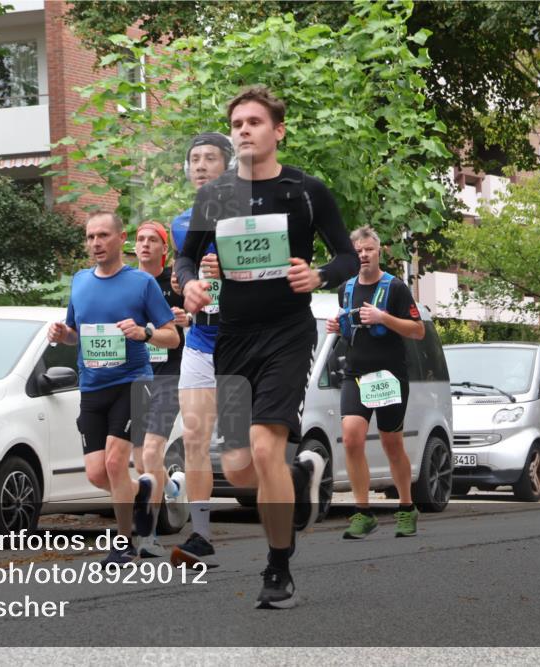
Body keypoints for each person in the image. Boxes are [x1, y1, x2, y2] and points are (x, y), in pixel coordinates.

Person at [175, 85, 358, 608]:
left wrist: (318, 274)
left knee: (263, 446)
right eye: (237, 125)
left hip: (286, 333)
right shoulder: (215, 196)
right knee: (236, 468)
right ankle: (298, 476)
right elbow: (185, 260)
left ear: (277, 131)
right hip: (232, 337)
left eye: (254, 122)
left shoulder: (305, 190)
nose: (244, 131)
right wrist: (187, 283)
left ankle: (277, 567)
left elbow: (347, 257)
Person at [48, 211, 179, 565]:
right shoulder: (79, 281)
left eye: (103, 235)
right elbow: (76, 331)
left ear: (122, 239)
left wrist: (144, 332)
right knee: (96, 473)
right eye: (90, 237)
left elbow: (172, 335)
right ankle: (143, 495)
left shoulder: (141, 283)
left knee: (115, 461)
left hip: (132, 384)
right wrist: (63, 335)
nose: (96, 243)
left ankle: (123, 543)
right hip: (92, 387)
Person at [324, 226, 425, 539]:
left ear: (378, 252)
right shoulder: (346, 289)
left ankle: (406, 507)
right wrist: (337, 326)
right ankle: (362, 512)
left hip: (388, 376)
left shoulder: (394, 288)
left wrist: (384, 318)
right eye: (358, 251)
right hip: (356, 374)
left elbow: (418, 330)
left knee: (391, 443)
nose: (364, 255)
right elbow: (350, 329)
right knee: (352, 438)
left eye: (368, 250)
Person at [168, 132, 233, 568]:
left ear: (228, 165)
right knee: (195, 437)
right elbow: (185, 272)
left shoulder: (251, 213)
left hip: (247, 341)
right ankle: (202, 535)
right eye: (194, 159)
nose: (201, 165)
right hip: (200, 341)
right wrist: (185, 280)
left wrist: (226, 266)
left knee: (243, 455)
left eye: (210, 158)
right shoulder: (181, 223)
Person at [131, 221, 189, 558]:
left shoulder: (177, 283)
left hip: (170, 375)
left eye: (153, 240)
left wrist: (187, 319)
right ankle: (170, 485)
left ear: (164, 249)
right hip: (135, 376)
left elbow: (202, 321)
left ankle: (148, 534)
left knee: (151, 453)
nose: (146, 245)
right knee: (141, 459)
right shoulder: (125, 284)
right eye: (140, 240)